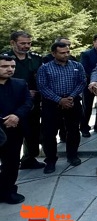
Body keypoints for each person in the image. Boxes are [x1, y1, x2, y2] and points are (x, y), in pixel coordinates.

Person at [36, 42, 87, 174]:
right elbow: (42, 87)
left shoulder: (77, 66)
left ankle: (72, 155)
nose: (66, 55)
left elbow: (82, 82)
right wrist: (59, 100)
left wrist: (71, 97)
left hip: (72, 102)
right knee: (49, 134)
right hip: (52, 104)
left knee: (73, 130)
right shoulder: (45, 68)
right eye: (62, 53)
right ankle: (51, 160)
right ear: (53, 53)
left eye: (67, 52)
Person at [3, 31, 44, 170]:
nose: (26, 46)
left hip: (32, 103)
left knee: (32, 132)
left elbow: (42, 78)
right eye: (22, 43)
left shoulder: (36, 59)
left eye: (29, 43)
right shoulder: (5, 60)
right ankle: (7, 162)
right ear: (12, 43)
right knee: (10, 134)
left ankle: (29, 159)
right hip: (10, 104)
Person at [0, 54, 32, 204]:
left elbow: (28, 102)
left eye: (12, 66)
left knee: (12, 163)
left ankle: (8, 191)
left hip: (15, 130)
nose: (10, 69)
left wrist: (16, 116)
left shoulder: (20, 83)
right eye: (4, 66)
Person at [79, 34, 97, 136]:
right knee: (87, 107)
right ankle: (84, 128)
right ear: (94, 42)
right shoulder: (86, 54)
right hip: (89, 84)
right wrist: (96, 78)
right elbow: (84, 69)